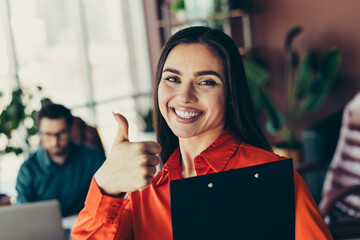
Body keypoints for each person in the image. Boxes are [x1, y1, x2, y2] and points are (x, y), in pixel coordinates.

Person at [72, 26, 333, 239]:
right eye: (172, 79)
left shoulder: (272, 176)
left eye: (206, 82)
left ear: (231, 94)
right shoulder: (146, 191)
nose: (184, 96)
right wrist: (106, 186)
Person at [15, 103, 105, 217]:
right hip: (45, 231)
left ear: (70, 130)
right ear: (40, 133)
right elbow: (22, 213)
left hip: (88, 228)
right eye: (48, 134)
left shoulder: (93, 158)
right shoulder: (28, 170)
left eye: (61, 133)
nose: (55, 141)